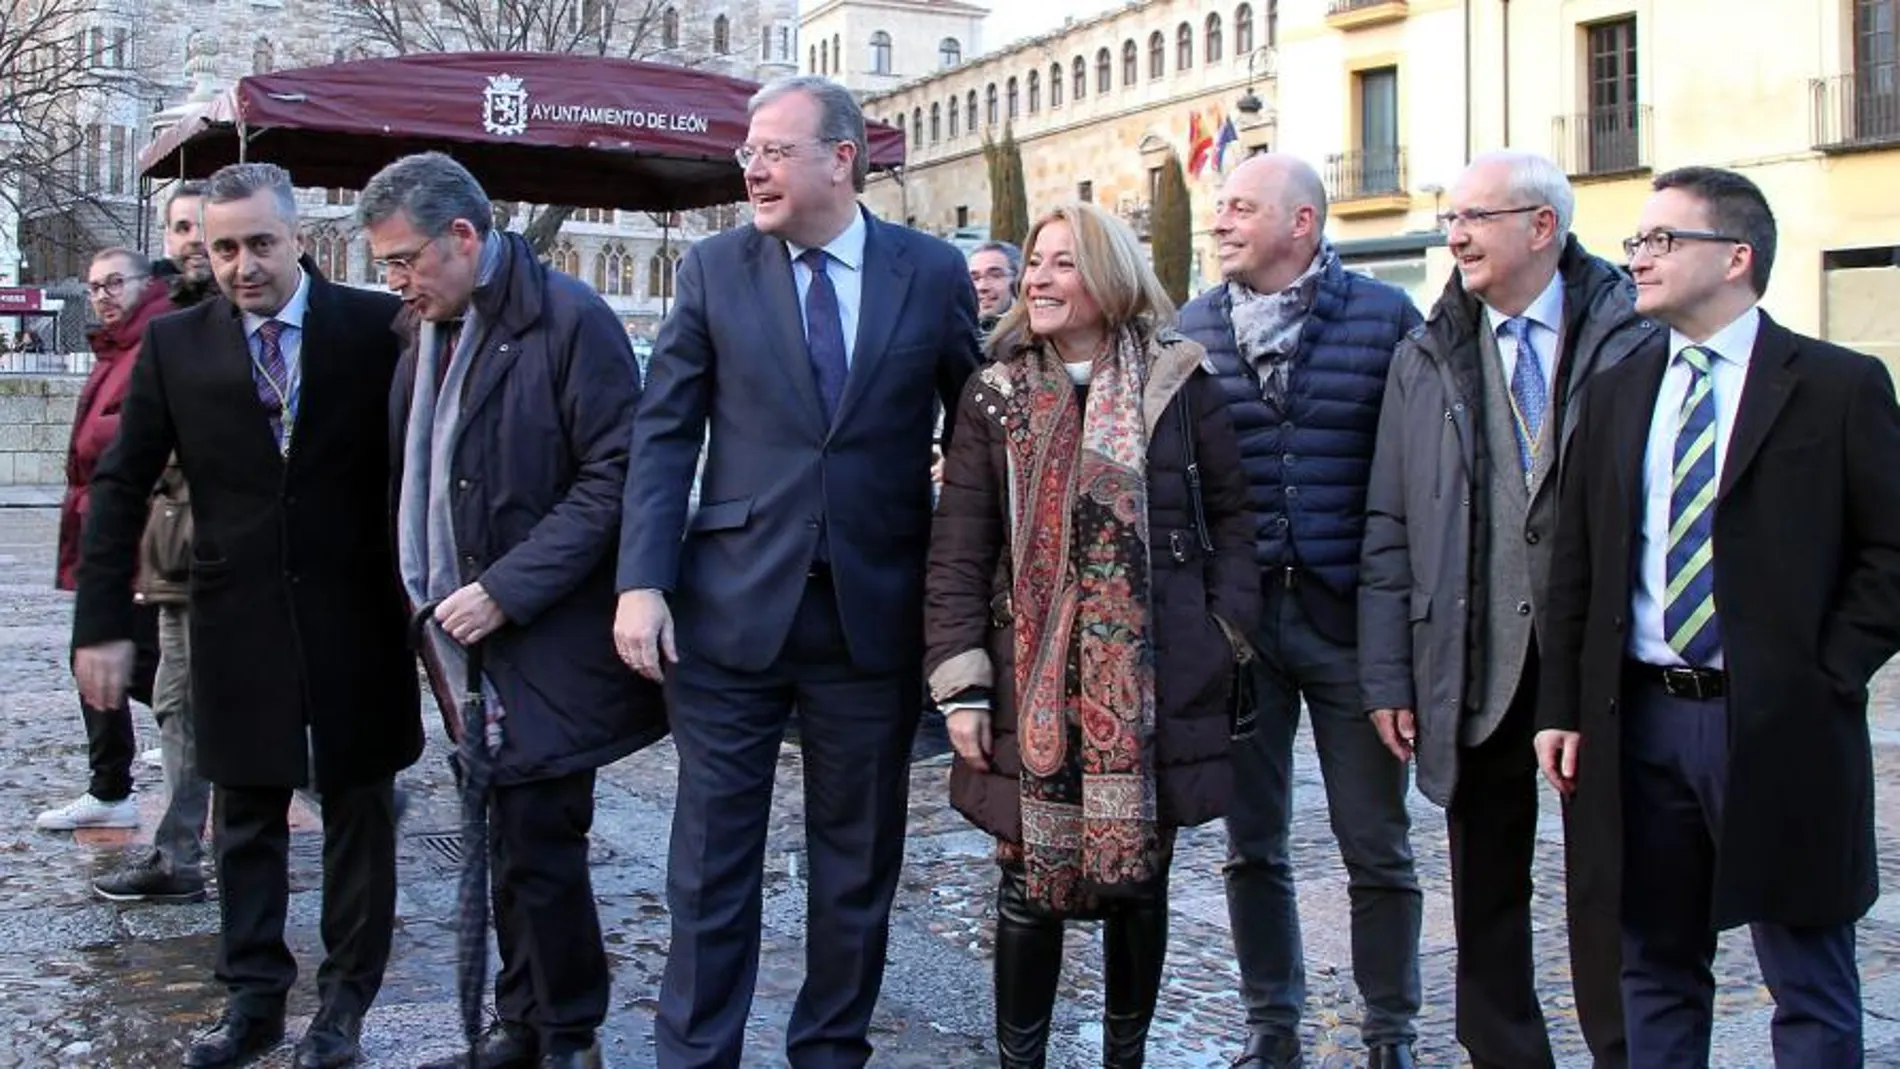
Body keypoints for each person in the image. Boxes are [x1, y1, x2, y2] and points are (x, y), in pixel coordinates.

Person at [613, 75, 980, 1068]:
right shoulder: (713, 271)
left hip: (871, 622)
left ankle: (831, 1051)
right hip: (729, 614)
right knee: (709, 865)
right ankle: (696, 1056)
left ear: (842, 159)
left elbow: (979, 432)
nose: (753, 167)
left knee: (855, 867)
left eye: (773, 149)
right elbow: (663, 433)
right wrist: (640, 578)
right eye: (747, 152)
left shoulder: (931, 272)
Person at [1537, 166, 1900, 1068]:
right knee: (1654, 962)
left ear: (1736, 257)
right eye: (1637, 242)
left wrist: (1827, 672)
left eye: (1663, 240)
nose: (1639, 260)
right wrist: (1563, 705)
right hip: (1642, 721)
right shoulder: (1620, 390)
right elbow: (1577, 564)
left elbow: (1891, 552)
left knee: (1807, 970)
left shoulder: (1837, 385)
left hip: (1780, 722)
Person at [70, 162, 421, 1069]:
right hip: (235, 612)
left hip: (358, 612)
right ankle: (254, 1001)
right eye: (222, 247)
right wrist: (101, 622)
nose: (241, 265)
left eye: (260, 243)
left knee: (359, 811)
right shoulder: (178, 345)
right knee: (247, 816)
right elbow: (118, 487)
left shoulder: (374, 326)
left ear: (299, 236)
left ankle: (344, 1003)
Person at [926, 201, 1258, 1067]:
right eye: (1035, 261)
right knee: (1027, 884)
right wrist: (961, 678)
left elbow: (1233, 524)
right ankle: (1020, 1060)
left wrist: (1223, 634)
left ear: (1108, 278)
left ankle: (1125, 1058)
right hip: (1023, 675)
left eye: (1062, 263)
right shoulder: (992, 394)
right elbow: (959, 547)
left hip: (1156, 678)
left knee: (1139, 883)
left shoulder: (1180, 385)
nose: (1037, 278)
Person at [358, 151, 668, 1069]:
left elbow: (618, 476)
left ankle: (565, 1034)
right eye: (385, 267)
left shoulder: (571, 320)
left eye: (406, 259)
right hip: (460, 644)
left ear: (465, 235)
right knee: (502, 839)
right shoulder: (425, 329)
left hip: (544, 635)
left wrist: (507, 587)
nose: (397, 281)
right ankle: (522, 1023)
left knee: (540, 839)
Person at [1359, 150, 1657, 1069]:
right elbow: (1390, 520)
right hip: (1471, 652)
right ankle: (1504, 1053)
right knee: (1484, 883)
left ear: (1542, 227)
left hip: (1599, 663)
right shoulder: (1427, 349)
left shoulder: (1634, 333)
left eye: (1476, 217)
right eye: (1452, 217)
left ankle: (1624, 1047)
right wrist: (1387, 673)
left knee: (1609, 881)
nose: (1455, 236)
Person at [1178, 153, 1423, 1069]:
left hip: (1352, 621)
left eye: (1241, 208)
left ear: (1302, 224)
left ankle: (1390, 1034)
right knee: (1252, 843)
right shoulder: (1193, 326)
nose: (1221, 222)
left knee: (1377, 844)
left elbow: (1419, 470)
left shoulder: (1385, 318)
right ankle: (1270, 1025)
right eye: (1219, 207)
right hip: (1240, 629)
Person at [93, 180, 219, 903]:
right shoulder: (160, 325)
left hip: (225, 557)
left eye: (206, 224)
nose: (194, 239)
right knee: (178, 702)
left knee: (208, 704)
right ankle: (179, 854)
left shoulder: (235, 317)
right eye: (180, 227)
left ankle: (336, 785)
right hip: (172, 558)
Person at [39, 247, 169, 834]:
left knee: (141, 665)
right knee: (106, 659)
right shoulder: (114, 349)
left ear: (146, 284)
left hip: (138, 533)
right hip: (106, 523)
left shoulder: (153, 347)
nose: (103, 295)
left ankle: (279, 759)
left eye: (115, 283)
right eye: (94, 287)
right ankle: (112, 782)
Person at [967, 239, 1020, 341]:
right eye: (975, 278)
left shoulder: (1035, 335)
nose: (982, 286)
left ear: (1017, 280)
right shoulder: (951, 332)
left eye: (995, 276)